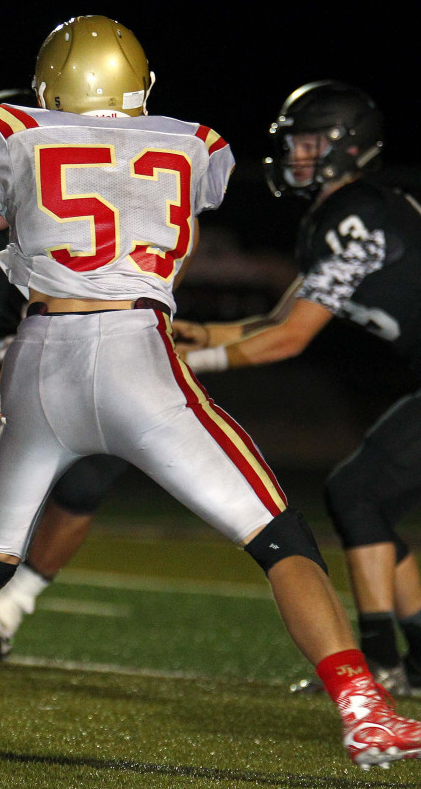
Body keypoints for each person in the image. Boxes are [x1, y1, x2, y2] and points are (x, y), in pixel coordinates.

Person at [0, 16, 421, 771]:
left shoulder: (9, 130)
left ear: (50, 83)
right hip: (133, 351)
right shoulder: (197, 146)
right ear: (136, 86)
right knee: (280, 537)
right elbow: (143, 202)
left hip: (38, 360)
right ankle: (364, 709)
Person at [175, 80, 421, 698]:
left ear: (349, 147)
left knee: (356, 490)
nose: (297, 155)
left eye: (310, 143)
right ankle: (408, 659)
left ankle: (379, 661)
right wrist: (196, 332)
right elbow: (280, 318)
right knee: (370, 501)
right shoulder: (347, 211)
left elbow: (291, 339)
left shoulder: (356, 215)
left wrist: (194, 364)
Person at [0, 118, 128, 670]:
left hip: (94, 383)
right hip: (13, 398)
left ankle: (11, 608)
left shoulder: (89, 219)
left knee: (84, 488)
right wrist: (24, 394)